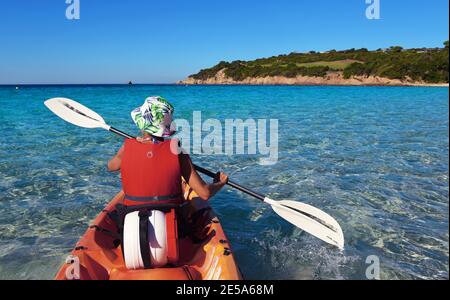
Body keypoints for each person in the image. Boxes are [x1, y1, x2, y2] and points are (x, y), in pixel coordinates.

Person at [107, 96, 228, 206]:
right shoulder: (177, 150)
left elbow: (111, 167)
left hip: (132, 212)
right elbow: (205, 193)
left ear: (142, 122)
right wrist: (220, 183)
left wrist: (132, 145)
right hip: (171, 216)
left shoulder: (127, 146)